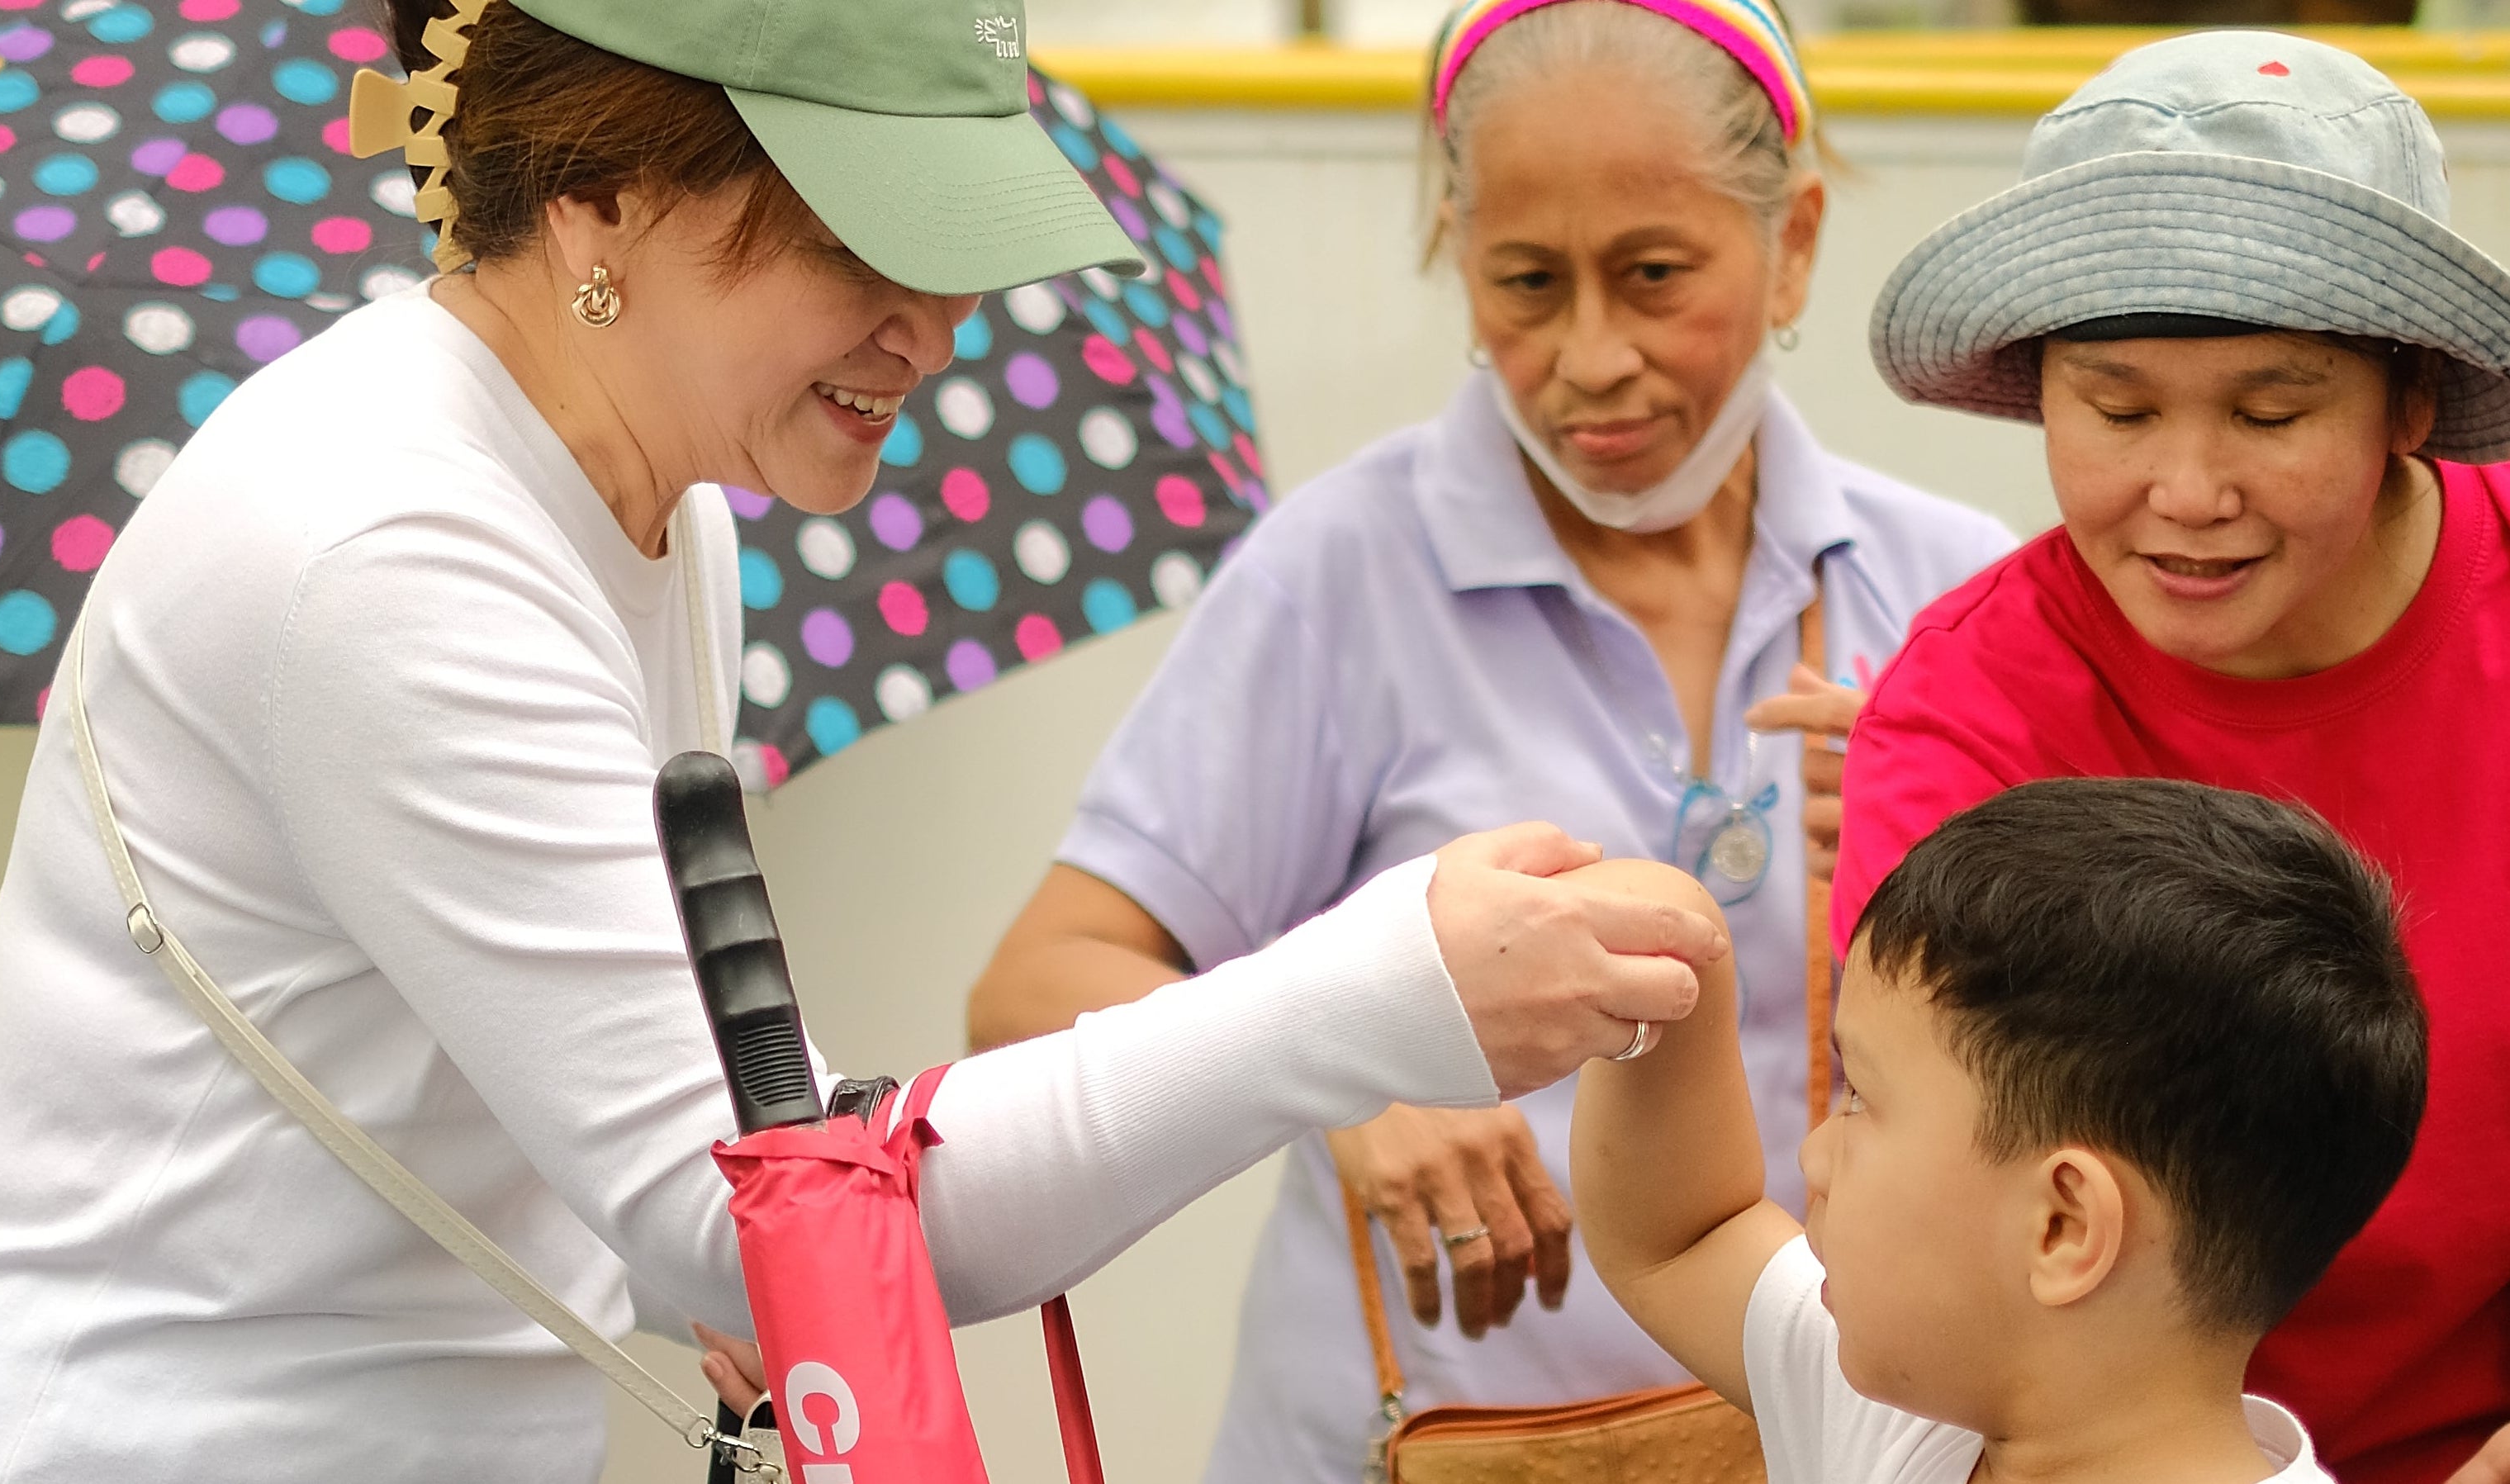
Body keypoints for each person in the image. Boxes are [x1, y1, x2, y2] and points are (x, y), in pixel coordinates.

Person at [0, 4, 1731, 1482]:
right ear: (602, 191)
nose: (930, 325)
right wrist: (1380, 988)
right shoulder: (389, 551)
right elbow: (755, 1212)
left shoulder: (665, 511)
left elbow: (739, 1159)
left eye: (959, 253)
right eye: (864, 238)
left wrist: (737, 1218)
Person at [963, 1, 2013, 1477]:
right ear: (1459, 255)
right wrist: (1339, 1071)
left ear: (1795, 244)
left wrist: (1945, 847)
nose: (1590, 358)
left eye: (1655, 277)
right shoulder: (1341, 576)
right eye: (1525, 283)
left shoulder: (1952, 591)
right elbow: (1031, 992)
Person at [1834, 29, 2510, 1484]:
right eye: (2120, 410)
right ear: (2038, 389)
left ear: (2408, 404)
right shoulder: (1968, 716)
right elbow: (1941, 1234)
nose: (2188, 494)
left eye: (2274, 413)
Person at [1572, 779, 2429, 1484]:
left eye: (1862, 1098)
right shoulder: (1906, 1411)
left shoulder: (1904, 1408)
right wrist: (1661, 924)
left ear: (2062, 1225)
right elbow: (1684, 1234)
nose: (1814, 1156)